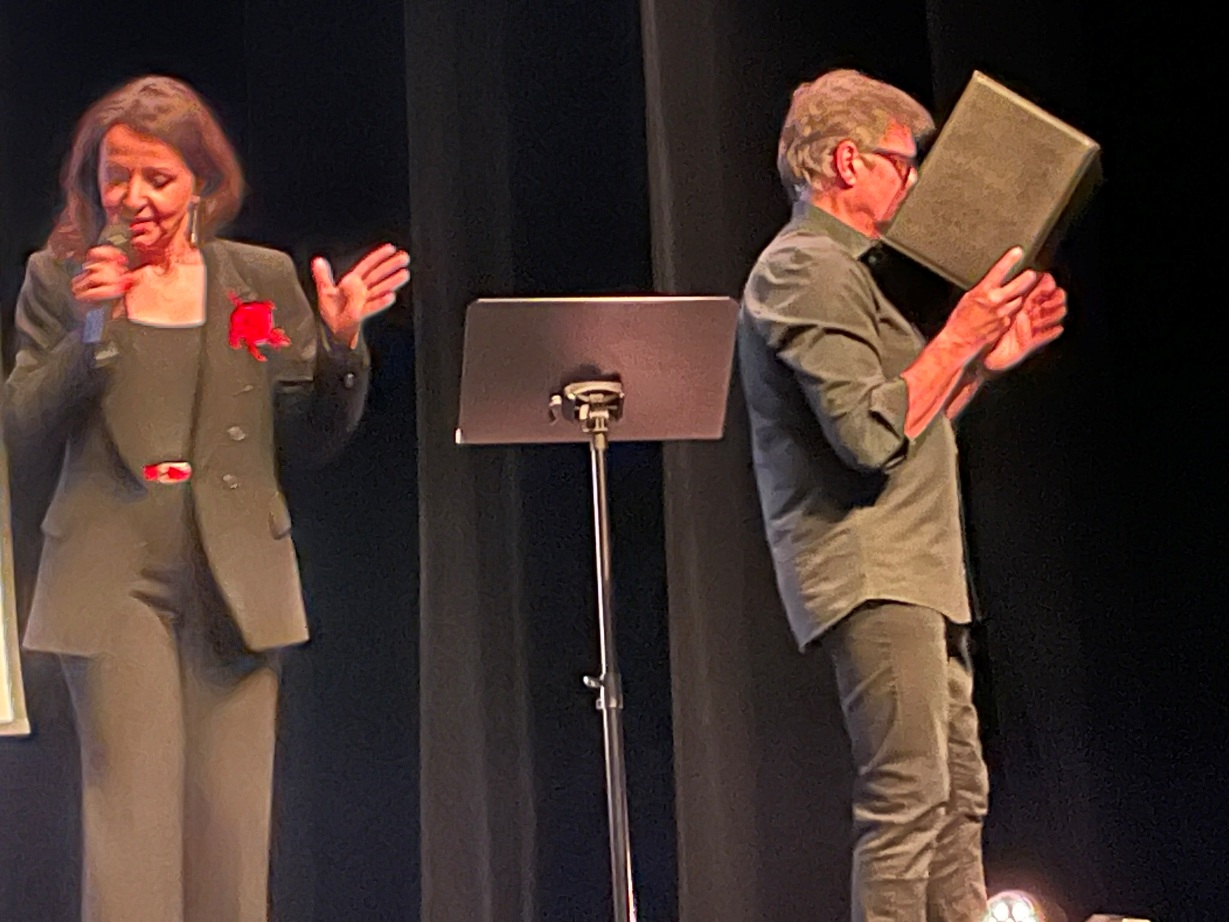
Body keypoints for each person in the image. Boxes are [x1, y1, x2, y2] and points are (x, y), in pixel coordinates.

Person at [3, 75, 410, 921]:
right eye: (117, 176)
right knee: (133, 833)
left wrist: (340, 350)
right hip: (112, 581)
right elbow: (27, 427)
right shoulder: (60, 279)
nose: (135, 198)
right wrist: (93, 327)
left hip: (235, 581)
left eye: (158, 178)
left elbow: (308, 437)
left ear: (201, 184)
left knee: (231, 834)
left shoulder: (256, 280)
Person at [737, 69, 1067, 922]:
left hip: (918, 566)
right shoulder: (802, 270)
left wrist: (980, 363)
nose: (914, 182)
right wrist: (956, 336)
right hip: (871, 566)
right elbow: (866, 437)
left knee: (958, 795)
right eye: (902, 162)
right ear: (847, 162)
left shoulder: (855, 274)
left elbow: (908, 422)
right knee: (908, 798)